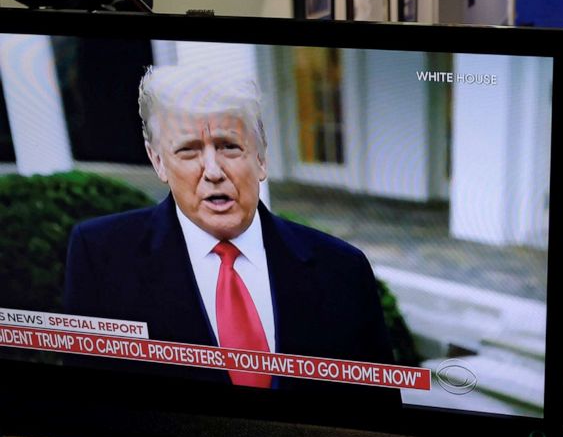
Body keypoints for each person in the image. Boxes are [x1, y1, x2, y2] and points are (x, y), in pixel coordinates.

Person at [62, 65, 396, 398]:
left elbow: (379, 425)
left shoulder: (343, 270)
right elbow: (91, 410)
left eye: (228, 146)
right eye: (188, 150)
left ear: (261, 156)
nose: (213, 171)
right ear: (158, 161)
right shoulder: (100, 258)